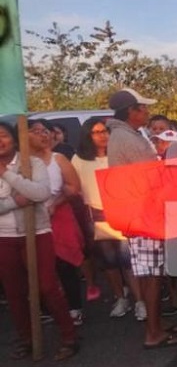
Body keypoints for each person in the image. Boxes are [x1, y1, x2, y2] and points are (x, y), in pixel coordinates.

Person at [106, 87, 177, 349]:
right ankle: (153, 333)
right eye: (143, 108)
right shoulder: (126, 138)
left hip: (140, 214)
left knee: (150, 272)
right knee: (152, 274)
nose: (147, 112)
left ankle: (157, 323)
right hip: (144, 215)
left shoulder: (126, 134)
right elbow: (151, 177)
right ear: (131, 111)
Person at [0, 121, 79, 361]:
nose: (0, 141)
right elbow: (22, 198)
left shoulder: (31, 163)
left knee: (47, 286)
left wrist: (7, 174)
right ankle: (27, 339)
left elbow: (41, 193)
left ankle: (69, 336)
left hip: (37, 232)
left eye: (3, 135)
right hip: (5, 236)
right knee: (14, 291)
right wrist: (14, 202)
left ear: (14, 138)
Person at [72, 116, 143, 320]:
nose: (102, 136)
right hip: (97, 216)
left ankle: (140, 302)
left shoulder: (119, 154)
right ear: (87, 135)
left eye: (104, 131)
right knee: (109, 261)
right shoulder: (79, 159)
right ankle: (120, 298)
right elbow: (76, 187)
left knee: (128, 260)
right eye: (96, 132)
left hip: (123, 214)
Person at [27, 119, 86, 326]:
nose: (43, 135)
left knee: (64, 262)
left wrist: (56, 203)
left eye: (45, 131)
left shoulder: (58, 159)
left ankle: (74, 307)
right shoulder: (19, 163)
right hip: (30, 219)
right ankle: (48, 307)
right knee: (38, 265)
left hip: (58, 216)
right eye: (35, 131)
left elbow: (73, 187)